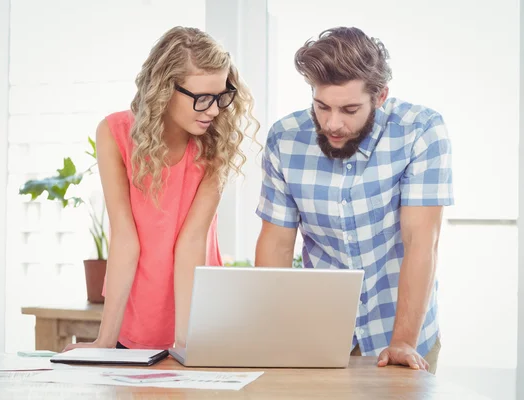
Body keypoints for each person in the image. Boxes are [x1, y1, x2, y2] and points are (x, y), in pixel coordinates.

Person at [254, 27, 453, 374]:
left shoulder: (420, 131)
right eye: (321, 106)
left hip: (403, 329)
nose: (333, 123)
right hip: (319, 335)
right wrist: (270, 334)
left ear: (380, 97)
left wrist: (403, 341)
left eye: (349, 109)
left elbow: (421, 243)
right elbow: (277, 243)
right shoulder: (285, 139)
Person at [65, 26, 258, 351]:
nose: (214, 110)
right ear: (164, 89)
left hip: (198, 314)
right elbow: (125, 237)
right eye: (202, 99)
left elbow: (191, 241)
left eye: (221, 95)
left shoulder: (216, 142)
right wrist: (104, 342)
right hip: (136, 317)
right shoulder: (114, 133)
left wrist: (184, 343)